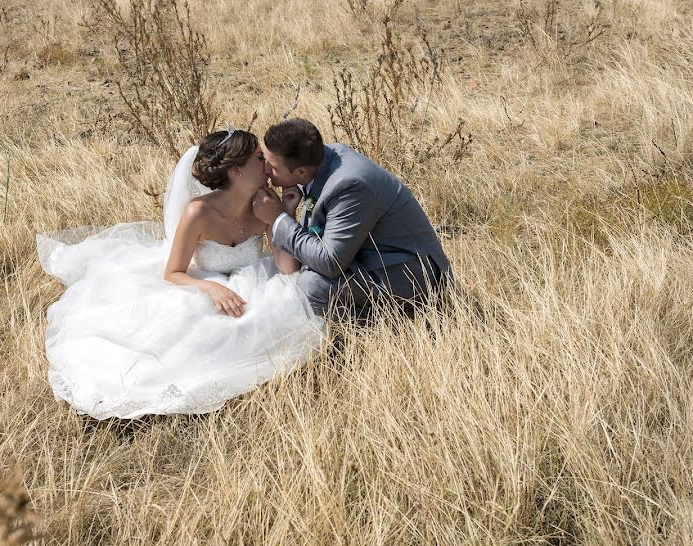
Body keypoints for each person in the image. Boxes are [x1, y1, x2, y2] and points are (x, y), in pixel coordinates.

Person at [37, 128, 325, 420]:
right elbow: (173, 272)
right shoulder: (197, 212)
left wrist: (282, 214)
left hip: (251, 280)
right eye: (258, 158)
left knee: (267, 314)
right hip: (200, 281)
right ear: (237, 171)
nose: (267, 165)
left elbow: (288, 270)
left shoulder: (264, 203)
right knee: (193, 327)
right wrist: (211, 289)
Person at [252, 118, 452, 321]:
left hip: (408, 273)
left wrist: (278, 218)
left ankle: (393, 323)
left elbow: (330, 263)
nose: (266, 170)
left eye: (274, 168)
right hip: (366, 257)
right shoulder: (319, 159)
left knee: (312, 286)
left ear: (301, 172)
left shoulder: (349, 185)